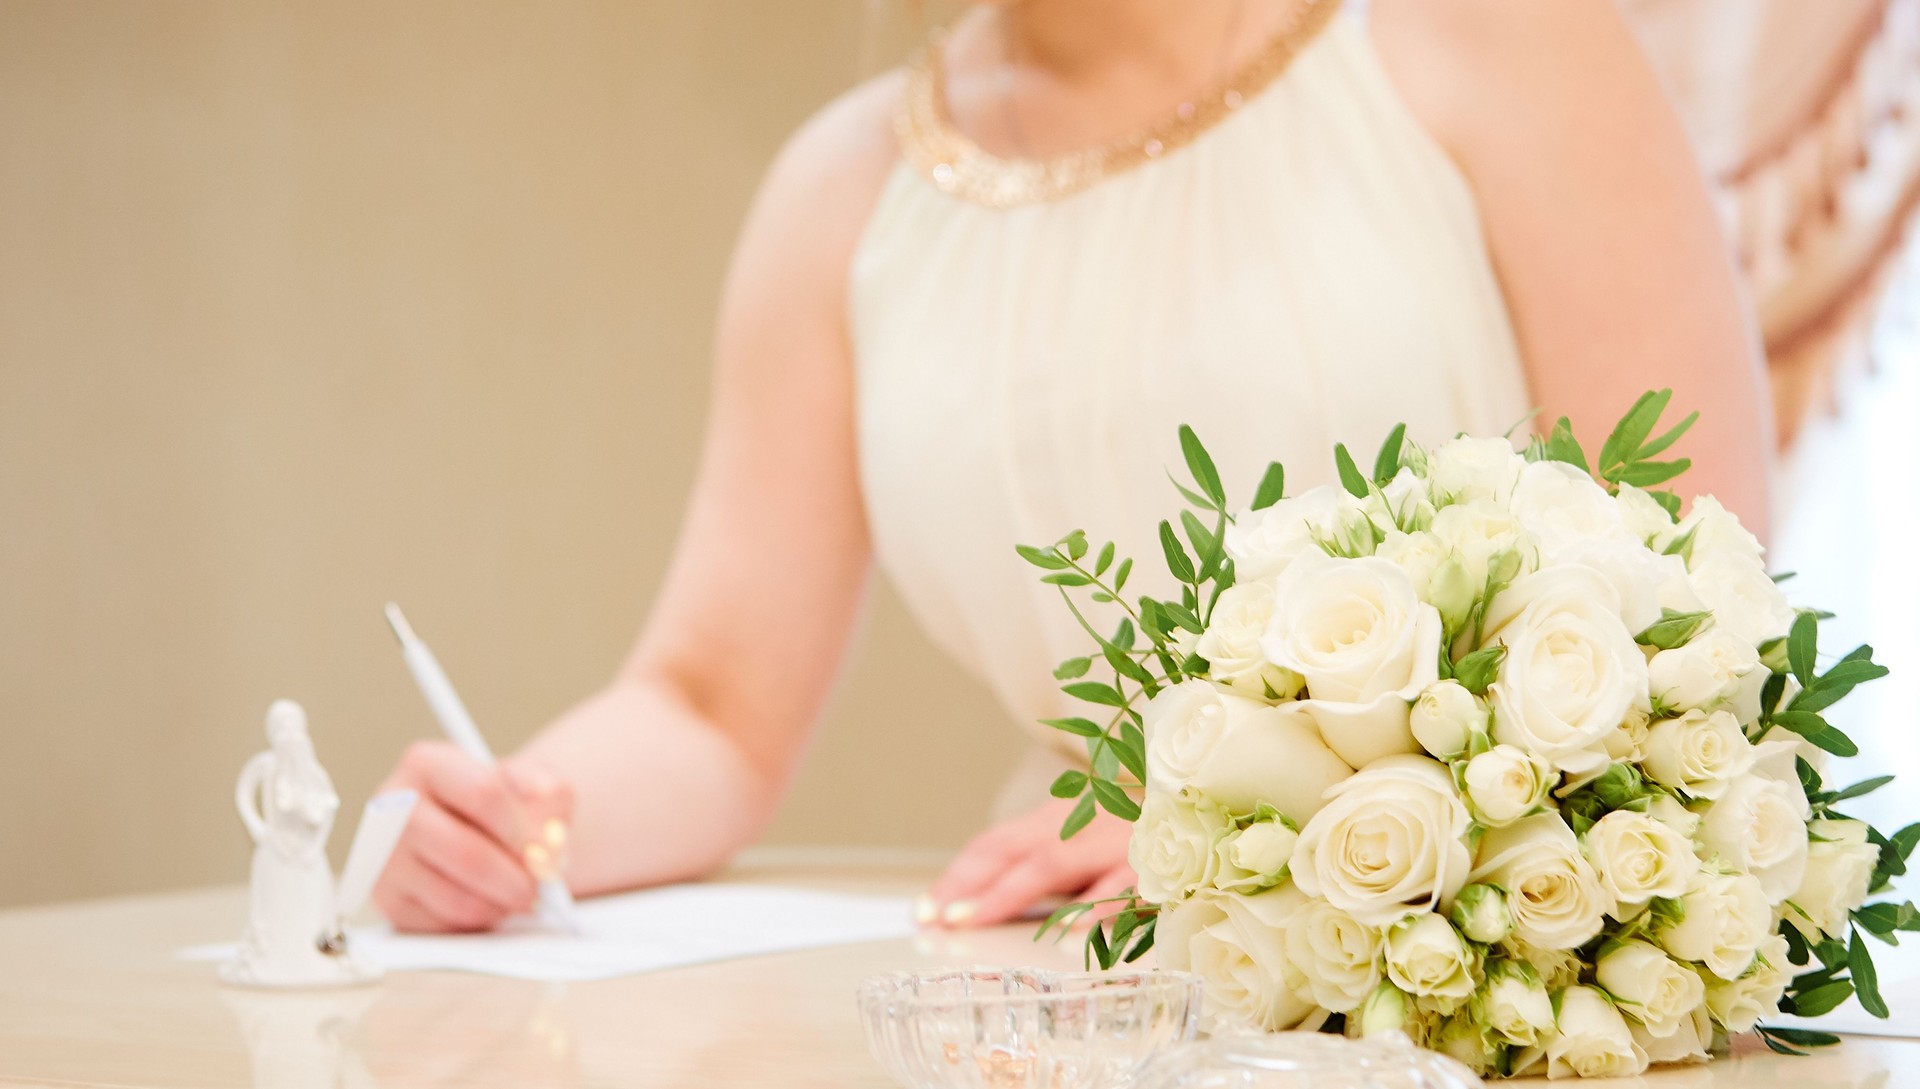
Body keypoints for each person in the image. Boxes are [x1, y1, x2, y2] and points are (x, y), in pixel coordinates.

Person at [371, 0, 1772, 934]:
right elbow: (709, 705)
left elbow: (1700, 586)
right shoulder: (844, 189)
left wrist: (1246, 830)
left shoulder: (1487, 34)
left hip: (1494, 952)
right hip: (1067, 978)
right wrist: (514, 823)